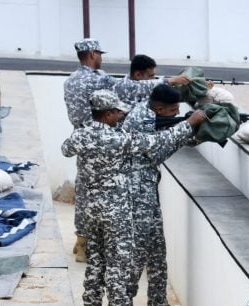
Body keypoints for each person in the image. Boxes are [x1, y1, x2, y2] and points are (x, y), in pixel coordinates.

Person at [61, 89, 204, 306]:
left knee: (96, 262)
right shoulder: (118, 139)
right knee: (119, 263)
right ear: (107, 114)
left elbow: (66, 149)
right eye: (117, 112)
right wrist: (189, 123)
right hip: (115, 209)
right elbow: (156, 142)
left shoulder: (81, 134)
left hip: (90, 209)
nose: (122, 115)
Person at [63, 39, 189, 262]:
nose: (101, 57)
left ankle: (82, 242)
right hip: (105, 141)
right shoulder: (96, 79)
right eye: (99, 53)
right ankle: (99, 248)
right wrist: (169, 81)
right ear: (92, 54)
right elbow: (131, 87)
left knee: (85, 191)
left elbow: (66, 147)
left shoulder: (71, 80)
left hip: (84, 139)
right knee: (107, 195)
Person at [121, 83, 191, 306]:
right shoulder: (140, 120)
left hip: (147, 190)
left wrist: (189, 130)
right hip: (136, 193)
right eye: (173, 110)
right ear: (159, 109)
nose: (176, 113)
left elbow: (163, 144)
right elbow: (156, 153)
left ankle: (158, 304)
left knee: (156, 249)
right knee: (137, 251)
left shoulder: (151, 114)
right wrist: (187, 127)